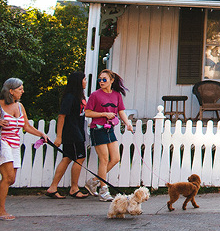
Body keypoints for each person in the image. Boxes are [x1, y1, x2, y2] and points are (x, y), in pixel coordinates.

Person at [0, 78, 49, 220]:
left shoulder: (20, 106)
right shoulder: (0, 105)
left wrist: (41, 134)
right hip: (3, 143)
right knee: (7, 177)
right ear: (11, 91)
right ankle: (1, 211)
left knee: (12, 179)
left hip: (15, 144)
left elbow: (26, 126)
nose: (23, 91)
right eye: (20, 89)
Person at [84, 69, 133, 202]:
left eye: (104, 79)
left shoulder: (116, 95)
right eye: (100, 79)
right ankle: (103, 191)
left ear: (111, 81)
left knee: (116, 158)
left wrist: (127, 123)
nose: (101, 82)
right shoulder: (95, 95)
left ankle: (93, 181)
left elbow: (121, 111)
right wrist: (103, 114)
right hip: (97, 129)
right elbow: (87, 112)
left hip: (109, 129)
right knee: (104, 160)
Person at [45, 71, 89, 199]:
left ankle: (53, 187)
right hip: (72, 132)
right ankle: (74, 188)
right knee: (79, 158)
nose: (86, 81)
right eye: (84, 79)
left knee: (67, 158)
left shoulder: (79, 96)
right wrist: (59, 136)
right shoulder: (70, 97)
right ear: (78, 81)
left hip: (78, 130)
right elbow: (61, 116)